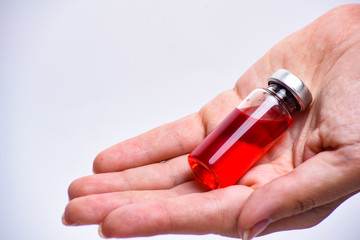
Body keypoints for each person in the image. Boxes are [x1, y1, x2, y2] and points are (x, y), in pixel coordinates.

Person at [63, 4, 360, 240]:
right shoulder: (262, 96)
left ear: (294, 105)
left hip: (216, 172)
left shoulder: (282, 120)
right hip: (202, 163)